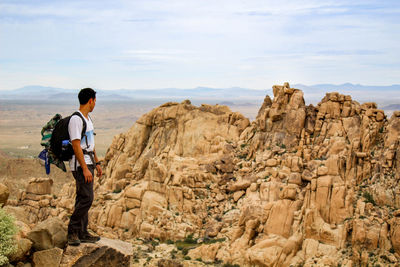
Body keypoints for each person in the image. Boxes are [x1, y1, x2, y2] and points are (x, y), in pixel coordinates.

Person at [67, 88, 102, 246]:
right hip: (81, 164)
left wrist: (97, 162)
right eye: (95, 100)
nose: (95, 103)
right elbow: (76, 145)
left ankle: (83, 232)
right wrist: (85, 168)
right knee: (87, 198)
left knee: (83, 198)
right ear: (90, 100)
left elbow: (90, 144)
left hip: (89, 162)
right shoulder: (76, 119)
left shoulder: (88, 119)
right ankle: (73, 231)